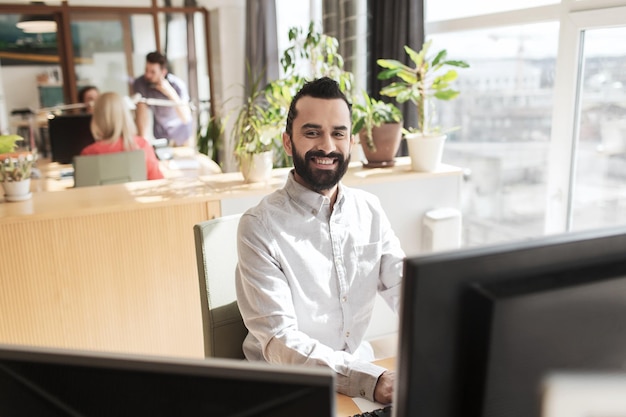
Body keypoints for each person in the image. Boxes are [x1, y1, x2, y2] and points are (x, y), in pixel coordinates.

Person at [235, 77, 405, 404]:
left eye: (338, 133)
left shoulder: (369, 210)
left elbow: (405, 286)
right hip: (286, 389)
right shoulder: (258, 226)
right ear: (288, 142)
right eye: (312, 132)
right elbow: (280, 342)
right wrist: (373, 380)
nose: (327, 146)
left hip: (357, 376)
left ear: (351, 141)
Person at [80, 92, 164, 181]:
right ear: (125, 115)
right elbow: (158, 181)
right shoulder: (141, 145)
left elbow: (83, 190)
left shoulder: (89, 153)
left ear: (96, 118)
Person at [132, 51, 193, 146]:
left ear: (163, 72)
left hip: (181, 134)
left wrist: (170, 93)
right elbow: (141, 111)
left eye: (153, 72)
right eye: (146, 70)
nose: (148, 75)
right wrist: (142, 143)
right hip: (160, 135)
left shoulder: (177, 85)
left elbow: (186, 118)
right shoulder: (141, 83)